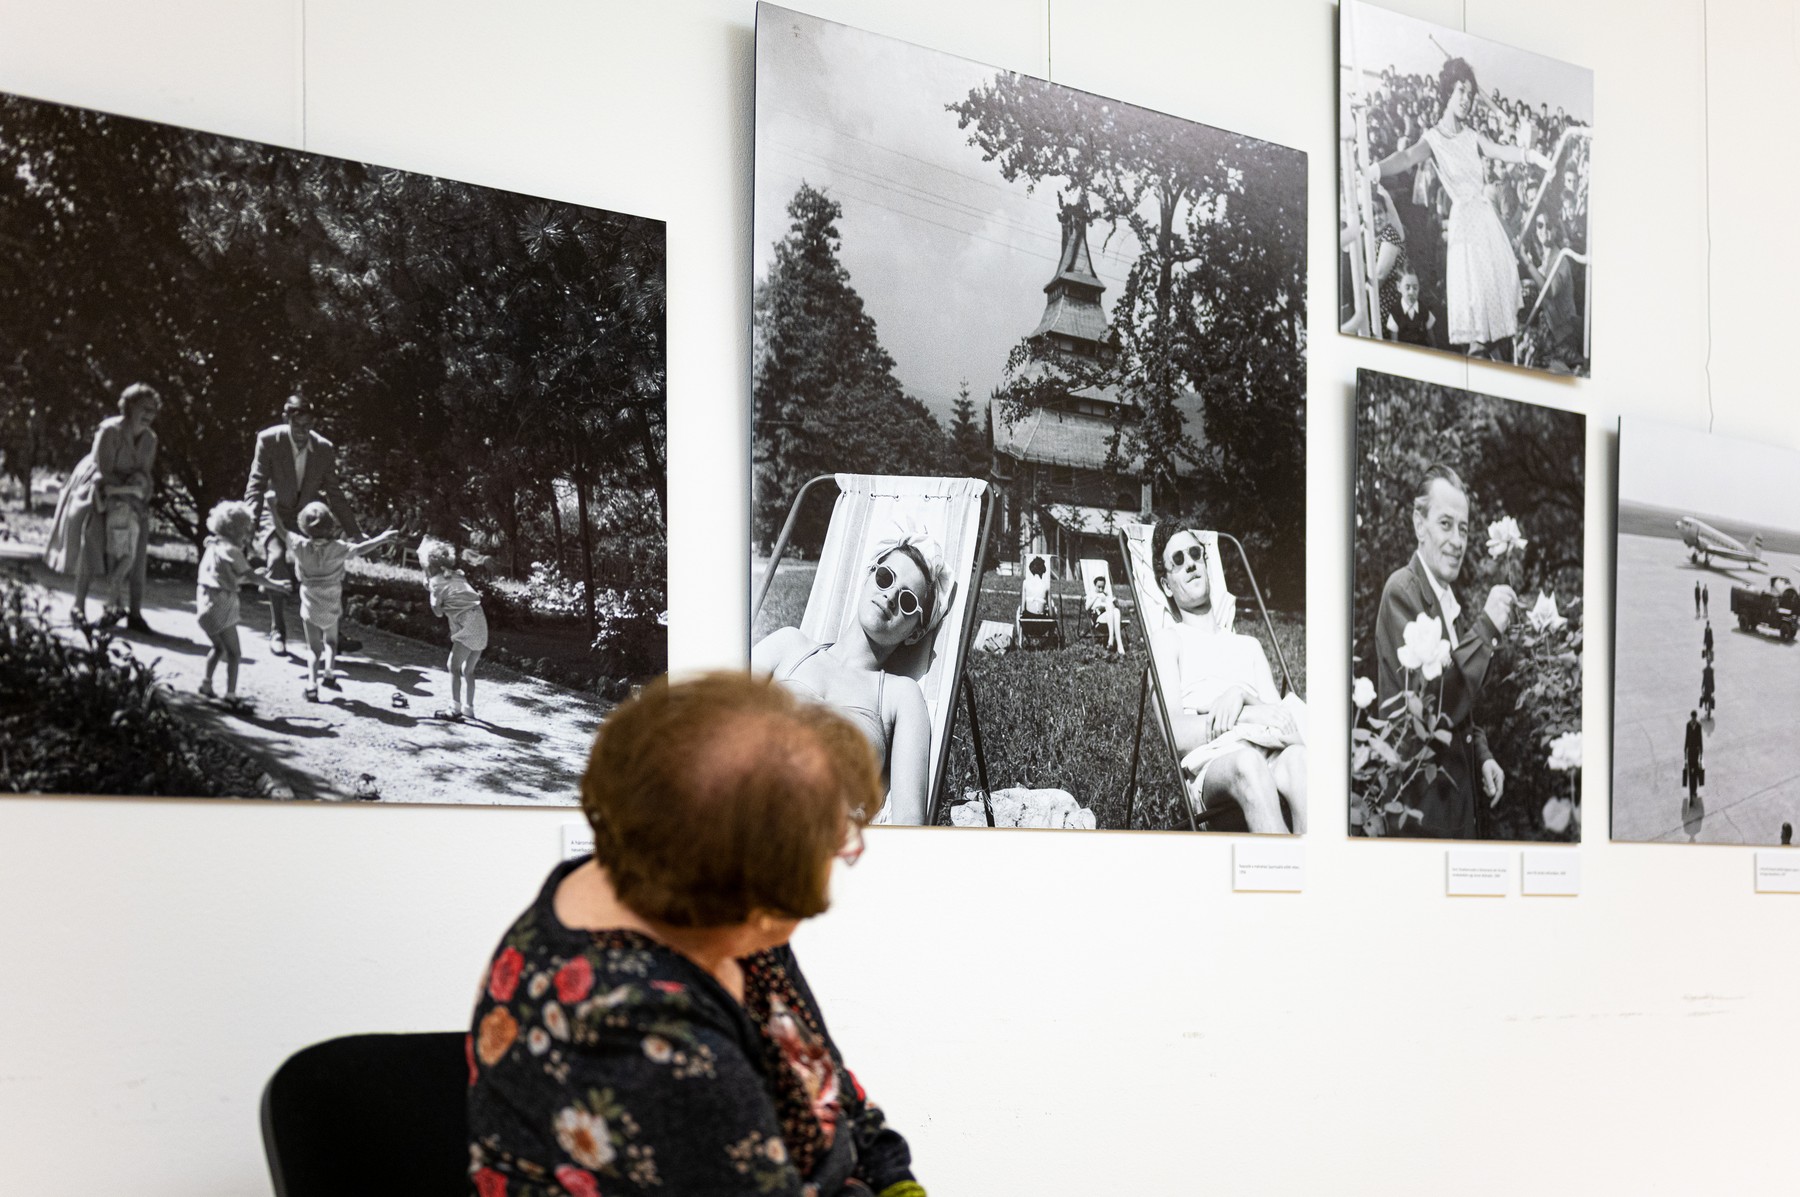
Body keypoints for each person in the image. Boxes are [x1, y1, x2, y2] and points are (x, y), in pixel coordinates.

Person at [467, 672, 924, 1197]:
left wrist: (898, 1184)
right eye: (780, 904)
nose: (794, 921)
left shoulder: (714, 914)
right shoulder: (635, 1030)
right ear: (710, 878)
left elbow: (831, 1084)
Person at [752, 523, 952, 826]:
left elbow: (909, 823)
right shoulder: (788, 645)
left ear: (916, 632)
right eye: (885, 578)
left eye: (907, 600)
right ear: (868, 577)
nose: (889, 597)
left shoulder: (901, 696)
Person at [1367, 58, 1553, 357]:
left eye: (1470, 94)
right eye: (1461, 91)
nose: (1467, 100)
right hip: (1465, 224)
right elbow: (1405, 158)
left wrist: (1532, 156)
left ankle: (1501, 360)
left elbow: (1500, 151)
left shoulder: (1471, 135)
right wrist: (1375, 169)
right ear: (1448, 93)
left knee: (1499, 311)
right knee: (1476, 311)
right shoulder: (1433, 139)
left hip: (1486, 222)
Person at [1373, 464, 1515, 839]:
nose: (1457, 540)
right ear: (1420, 526)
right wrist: (1485, 629)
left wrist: (1481, 753)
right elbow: (1434, 704)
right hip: (1421, 811)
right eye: (1445, 524)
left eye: (1464, 528)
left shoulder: (1446, 601)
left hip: (1457, 806)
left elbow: (1460, 705)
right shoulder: (1402, 591)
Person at [1148, 525, 1306, 835]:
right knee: (1249, 763)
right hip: (1217, 766)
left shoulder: (1249, 645)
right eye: (1177, 560)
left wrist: (1242, 696)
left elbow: (1285, 723)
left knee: (1300, 759)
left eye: (1196, 554)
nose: (1190, 564)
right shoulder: (1168, 641)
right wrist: (1245, 713)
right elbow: (1176, 735)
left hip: (1271, 752)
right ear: (1167, 585)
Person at [244, 396, 364, 657]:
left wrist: (355, 532)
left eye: (308, 426)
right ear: (286, 420)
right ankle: (278, 631)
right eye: (297, 426)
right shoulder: (268, 440)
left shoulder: (323, 448)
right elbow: (256, 484)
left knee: (327, 563)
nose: (302, 432)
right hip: (273, 512)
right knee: (276, 559)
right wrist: (249, 522)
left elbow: (335, 493)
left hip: (306, 517)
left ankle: (332, 632)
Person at [42, 383, 162, 629]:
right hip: (98, 487)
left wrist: (139, 496)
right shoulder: (109, 430)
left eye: (153, 409)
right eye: (144, 408)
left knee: (136, 548)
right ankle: (79, 607)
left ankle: (135, 614)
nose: (149, 414)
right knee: (92, 543)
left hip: (130, 494)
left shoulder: (150, 439)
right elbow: (103, 470)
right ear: (129, 407)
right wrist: (128, 493)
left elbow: (144, 473)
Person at [289, 502, 400, 702]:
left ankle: (312, 685)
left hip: (310, 603)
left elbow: (281, 532)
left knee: (313, 649)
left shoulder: (300, 546)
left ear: (304, 526)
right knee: (331, 641)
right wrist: (381, 539)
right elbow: (360, 549)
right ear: (330, 524)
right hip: (331, 601)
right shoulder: (337, 548)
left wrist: (271, 507)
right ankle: (329, 673)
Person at [194, 500, 284, 708]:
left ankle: (206, 684)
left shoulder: (213, 546)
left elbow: (223, 577)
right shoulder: (232, 551)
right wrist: (276, 585)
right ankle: (231, 696)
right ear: (235, 530)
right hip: (222, 605)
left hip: (205, 606)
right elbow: (252, 577)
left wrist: (249, 577)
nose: (246, 536)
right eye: (245, 531)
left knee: (218, 648)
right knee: (235, 654)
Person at [419, 536, 489, 722]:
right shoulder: (456, 574)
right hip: (480, 621)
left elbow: (438, 613)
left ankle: (454, 708)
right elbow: (449, 587)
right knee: (468, 670)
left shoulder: (436, 584)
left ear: (428, 566)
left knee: (453, 666)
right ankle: (469, 708)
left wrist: (433, 597)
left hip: (468, 625)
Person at [1386, 271, 1438, 348]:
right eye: (1407, 288)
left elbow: (1432, 340)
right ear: (1399, 287)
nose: (1411, 292)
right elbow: (1394, 345)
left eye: (1415, 288)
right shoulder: (1395, 314)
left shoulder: (1423, 309)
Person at [1086, 575, 1124, 655]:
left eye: (1102, 587)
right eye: (1098, 587)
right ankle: (1111, 638)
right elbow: (1087, 608)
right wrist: (1096, 598)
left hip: (1108, 618)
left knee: (1116, 611)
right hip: (1098, 619)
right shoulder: (1091, 594)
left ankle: (1119, 646)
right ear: (1094, 585)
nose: (1100, 589)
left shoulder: (1105, 595)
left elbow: (1113, 608)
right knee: (1110, 608)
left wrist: (1110, 600)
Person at [1684, 709, 1704, 805]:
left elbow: (1700, 739)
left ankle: (1694, 790)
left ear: (1696, 717)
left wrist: (1701, 752)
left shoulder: (1699, 726)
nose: (1693, 719)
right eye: (1692, 717)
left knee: (1695, 774)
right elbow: (1686, 737)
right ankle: (1691, 796)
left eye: (1694, 718)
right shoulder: (1688, 725)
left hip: (1695, 753)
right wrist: (1685, 749)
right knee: (1690, 775)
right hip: (1690, 753)